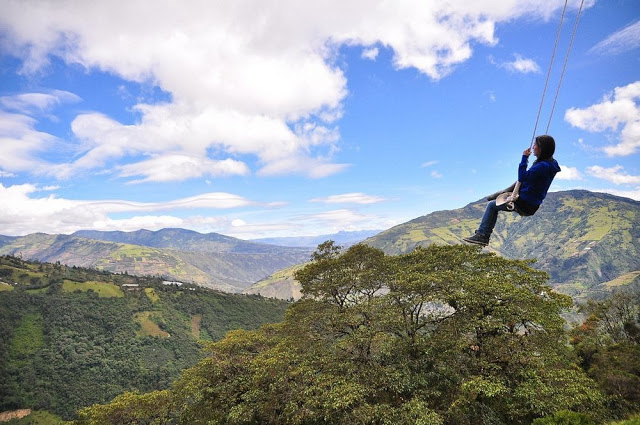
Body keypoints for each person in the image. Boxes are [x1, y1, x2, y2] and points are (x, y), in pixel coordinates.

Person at [463, 135, 561, 246]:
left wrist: (524, 158)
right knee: (495, 203)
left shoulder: (542, 166)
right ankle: (483, 235)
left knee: (491, 206)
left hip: (525, 203)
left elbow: (522, 177)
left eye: (536, 145)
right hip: (532, 204)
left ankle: (482, 235)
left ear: (542, 149)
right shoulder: (551, 163)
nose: (533, 147)